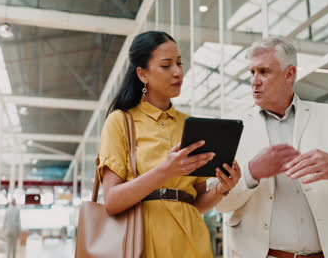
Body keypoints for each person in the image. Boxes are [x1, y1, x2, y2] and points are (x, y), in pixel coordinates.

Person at [215, 37, 328, 258]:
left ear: (289, 73)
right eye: (252, 72)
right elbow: (222, 204)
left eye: (264, 72)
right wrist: (250, 174)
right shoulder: (231, 126)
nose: (254, 81)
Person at [98, 31, 242, 258]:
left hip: (192, 242)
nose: (178, 71)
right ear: (143, 74)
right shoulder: (121, 121)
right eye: (166, 65)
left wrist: (222, 189)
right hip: (142, 241)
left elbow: (195, 204)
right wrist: (166, 171)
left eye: (179, 63)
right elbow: (112, 201)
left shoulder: (190, 125)